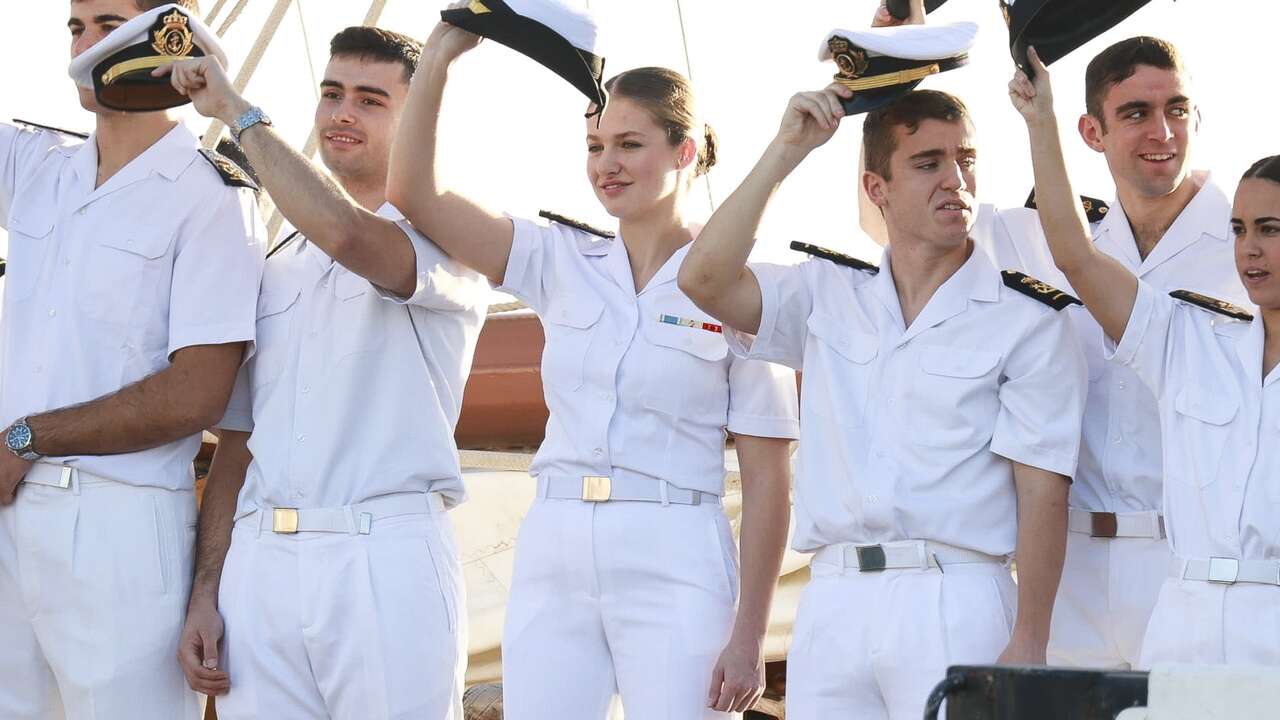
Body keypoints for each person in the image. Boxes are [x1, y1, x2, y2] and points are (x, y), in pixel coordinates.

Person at [386, 7, 800, 719]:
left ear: (686, 152)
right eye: (595, 145)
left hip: (677, 551)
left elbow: (769, 477)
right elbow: (413, 194)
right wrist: (443, 54)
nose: (606, 164)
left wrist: (749, 633)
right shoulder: (559, 259)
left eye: (629, 144)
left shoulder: (741, 289)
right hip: (555, 549)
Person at [676, 27, 1088, 717]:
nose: (955, 180)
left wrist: (1031, 641)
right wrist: (787, 152)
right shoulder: (825, 296)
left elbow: (1043, 490)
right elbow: (704, 277)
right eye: (928, 163)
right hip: (834, 601)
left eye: (966, 160)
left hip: (956, 595)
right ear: (878, 187)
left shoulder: (1028, 319)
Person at [876, 0, 1248, 669]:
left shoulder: (1249, 245)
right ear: (1091, 130)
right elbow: (895, 219)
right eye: (1135, 113)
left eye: (1177, 109)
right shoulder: (1034, 239)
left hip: (1194, 565)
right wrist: (894, 55)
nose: (1162, 131)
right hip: (1068, 569)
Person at [160, 26, 488, 719]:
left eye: (371, 100)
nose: (342, 113)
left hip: (385, 560)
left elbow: (349, 235)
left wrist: (236, 113)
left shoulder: (451, 239)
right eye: (332, 93)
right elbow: (239, 446)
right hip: (262, 567)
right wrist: (206, 591)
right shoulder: (277, 261)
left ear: (417, 115)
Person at [0, 2, 265, 718]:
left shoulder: (212, 196)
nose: (87, 45)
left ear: (162, 44)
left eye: (109, 24)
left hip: (118, 529)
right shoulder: (36, 168)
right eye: (76, 27)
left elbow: (197, 395)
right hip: (9, 515)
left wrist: (26, 438)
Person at [1012, 45, 1280, 668]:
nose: (1249, 251)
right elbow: (1072, 253)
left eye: (1272, 230)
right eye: (1241, 231)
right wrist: (1039, 120)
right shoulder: (1191, 339)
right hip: (1167, 605)